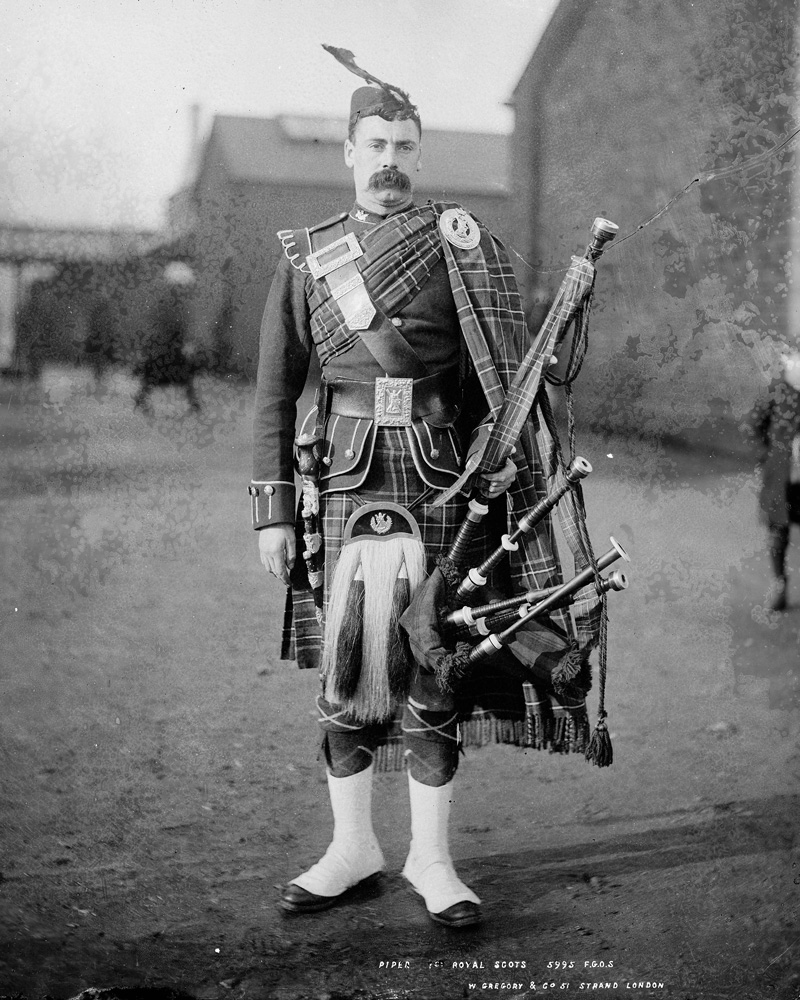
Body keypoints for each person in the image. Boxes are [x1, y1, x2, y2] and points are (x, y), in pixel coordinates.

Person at [251, 50, 590, 929]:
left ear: (417, 152)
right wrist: (272, 512)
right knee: (349, 673)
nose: (390, 159)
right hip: (345, 481)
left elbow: (500, 375)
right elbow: (272, 395)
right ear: (350, 153)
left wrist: (496, 446)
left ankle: (431, 860)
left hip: (445, 479)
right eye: (376, 143)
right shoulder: (305, 258)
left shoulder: (463, 249)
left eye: (404, 144)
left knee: (437, 668)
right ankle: (350, 849)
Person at [747, 349, 800, 611]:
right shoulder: (777, 391)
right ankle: (779, 583)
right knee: (778, 534)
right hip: (781, 478)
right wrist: (765, 457)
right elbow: (753, 424)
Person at [133, 262, 201, 413]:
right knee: (160, 375)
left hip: (168, 346)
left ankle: (194, 404)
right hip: (165, 346)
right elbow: (168, 324)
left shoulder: (173, 302)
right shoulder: (170, 303)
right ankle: (141, 400)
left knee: (179, 375)